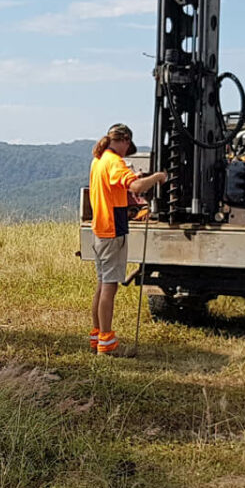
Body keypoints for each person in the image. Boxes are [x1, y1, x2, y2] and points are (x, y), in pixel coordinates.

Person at [88, 123, 167, 354]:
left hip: (99, 229)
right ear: (123, 140)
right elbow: (136, 187)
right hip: (113, 231)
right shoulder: (115, 162)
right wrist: (157, 177)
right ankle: (107, 343)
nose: (127, 150)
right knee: (109, 288)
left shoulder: (99, 160)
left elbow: (117, 186)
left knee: (102, 285)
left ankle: (97, 337)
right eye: (127, 146)